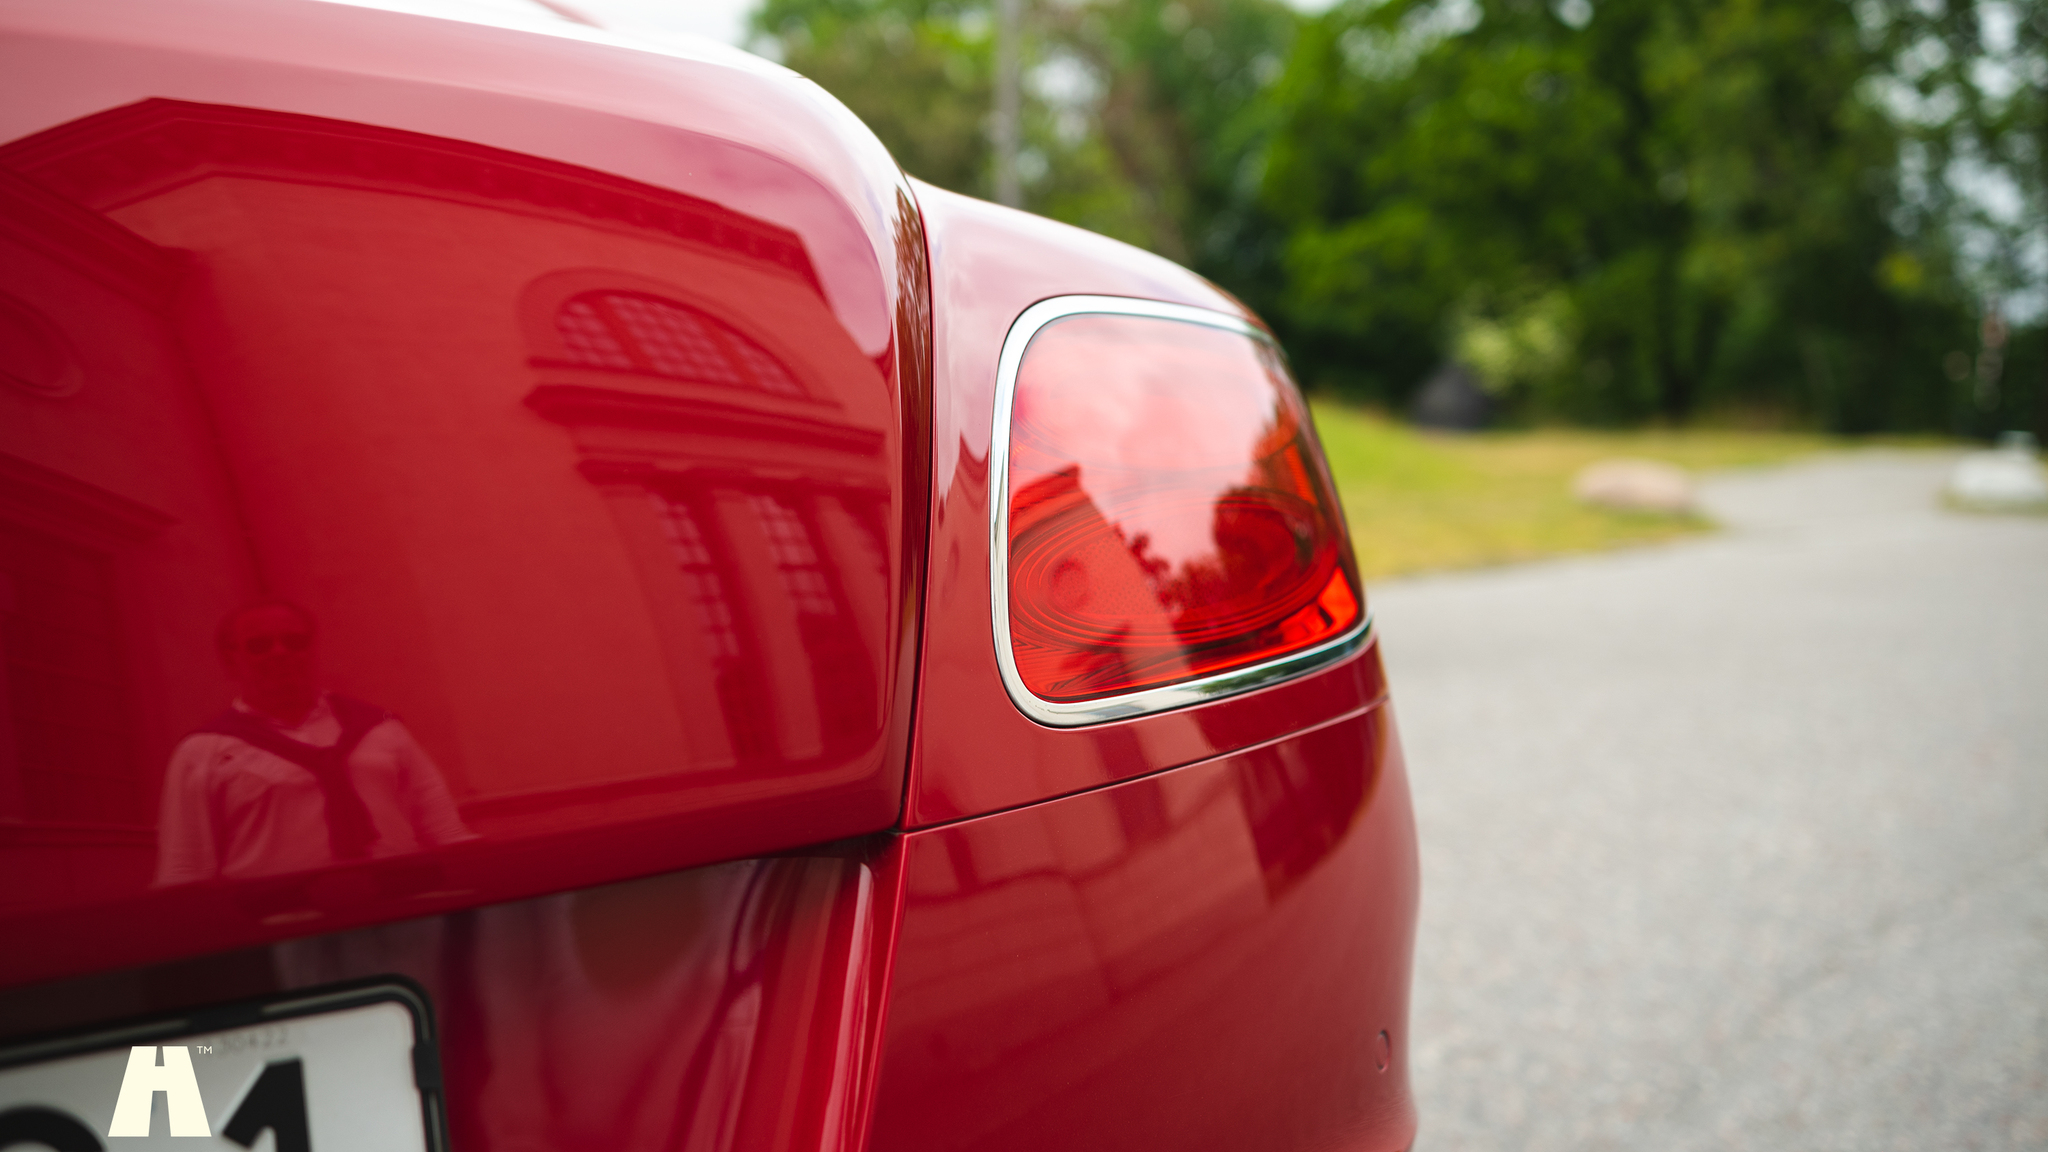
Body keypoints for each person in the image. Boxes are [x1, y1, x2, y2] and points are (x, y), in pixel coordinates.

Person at [154, 601, 472, 886]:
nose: (280, 652)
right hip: (277, 915)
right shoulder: (201, 752)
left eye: (295, 641)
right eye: (259, 645)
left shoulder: (382, 729)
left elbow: (446, 831)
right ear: (230, 661)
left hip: (398, 898)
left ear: (313, 650)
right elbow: (185, 868)